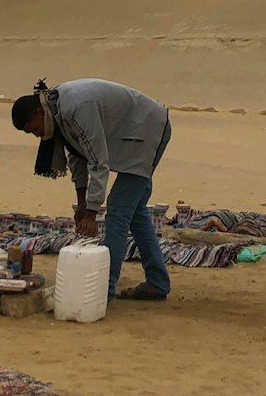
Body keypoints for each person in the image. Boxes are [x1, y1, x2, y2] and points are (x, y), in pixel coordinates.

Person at [11, 78, 171, 303]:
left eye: (35, 129)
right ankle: (157, 282)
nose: (37, 136)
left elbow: (97, 161)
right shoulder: (57, 111)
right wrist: (82, 204)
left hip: (147, 131)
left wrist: (92, 212)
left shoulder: (75, 109)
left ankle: (103, 289)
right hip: (136, 133)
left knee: (117, 211)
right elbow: (78, 156)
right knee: (133, 212)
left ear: (39, 112)